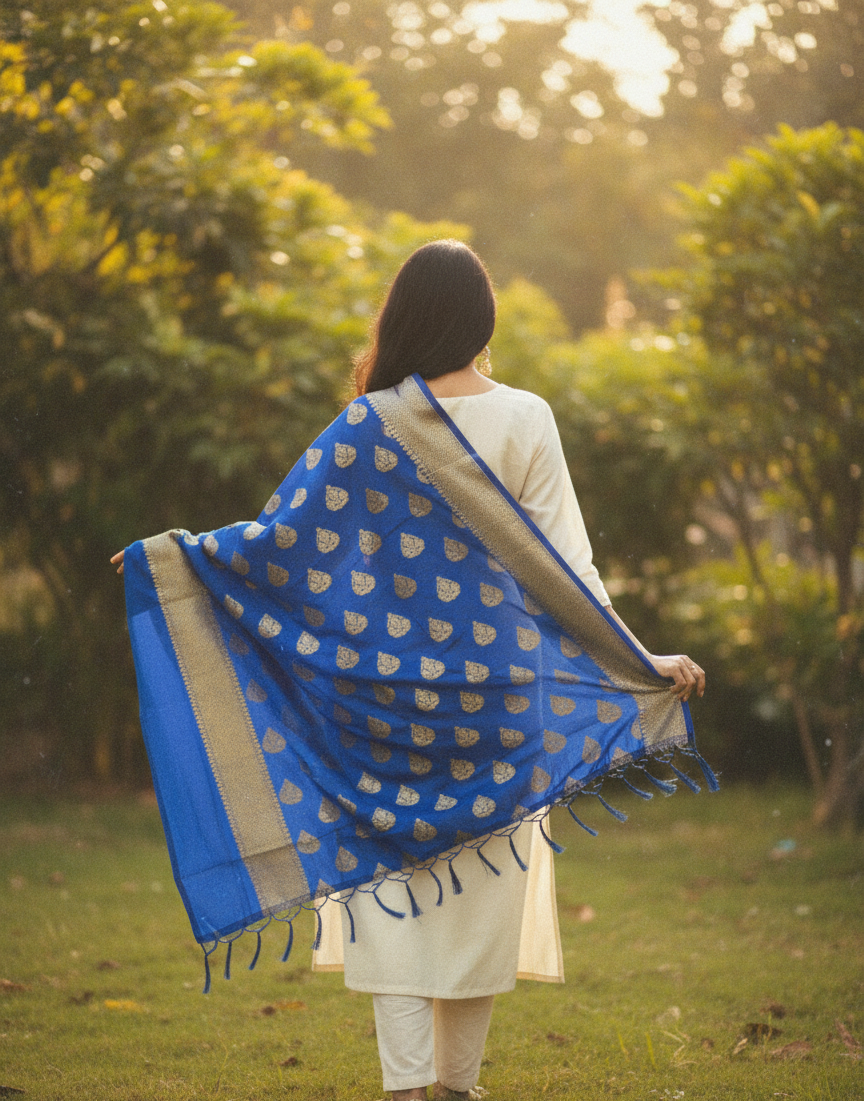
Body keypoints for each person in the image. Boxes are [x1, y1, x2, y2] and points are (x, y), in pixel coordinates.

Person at [112, 239, 705, 1101]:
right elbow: (571, 574)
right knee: (477, 909)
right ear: (481, 318)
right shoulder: (526, 416)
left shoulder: (366, 424)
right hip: (502, 707)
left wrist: (171, 560)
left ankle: (405, 1088)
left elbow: (279, 550)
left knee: (392, 907)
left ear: (403, 319)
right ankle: (457, 1090)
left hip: (379, 704)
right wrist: (640, 659)